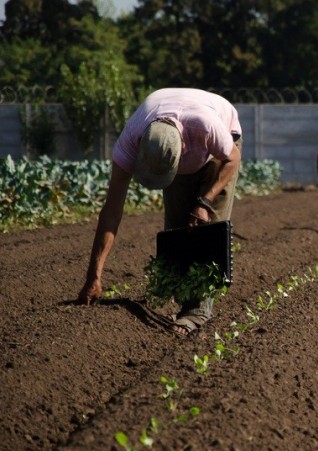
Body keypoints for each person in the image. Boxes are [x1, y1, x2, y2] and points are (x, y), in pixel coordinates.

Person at [76, 88, 243, 338]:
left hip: (220, 147)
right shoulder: (131, 140)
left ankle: (198, 311)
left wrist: (205, 203)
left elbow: (233, 158)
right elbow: (111, 212)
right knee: (177, 228)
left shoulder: (206, 127)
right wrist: (93, 276)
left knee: (208, 229)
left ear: (181, 149)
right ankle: (186, 300)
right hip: (179, 140)